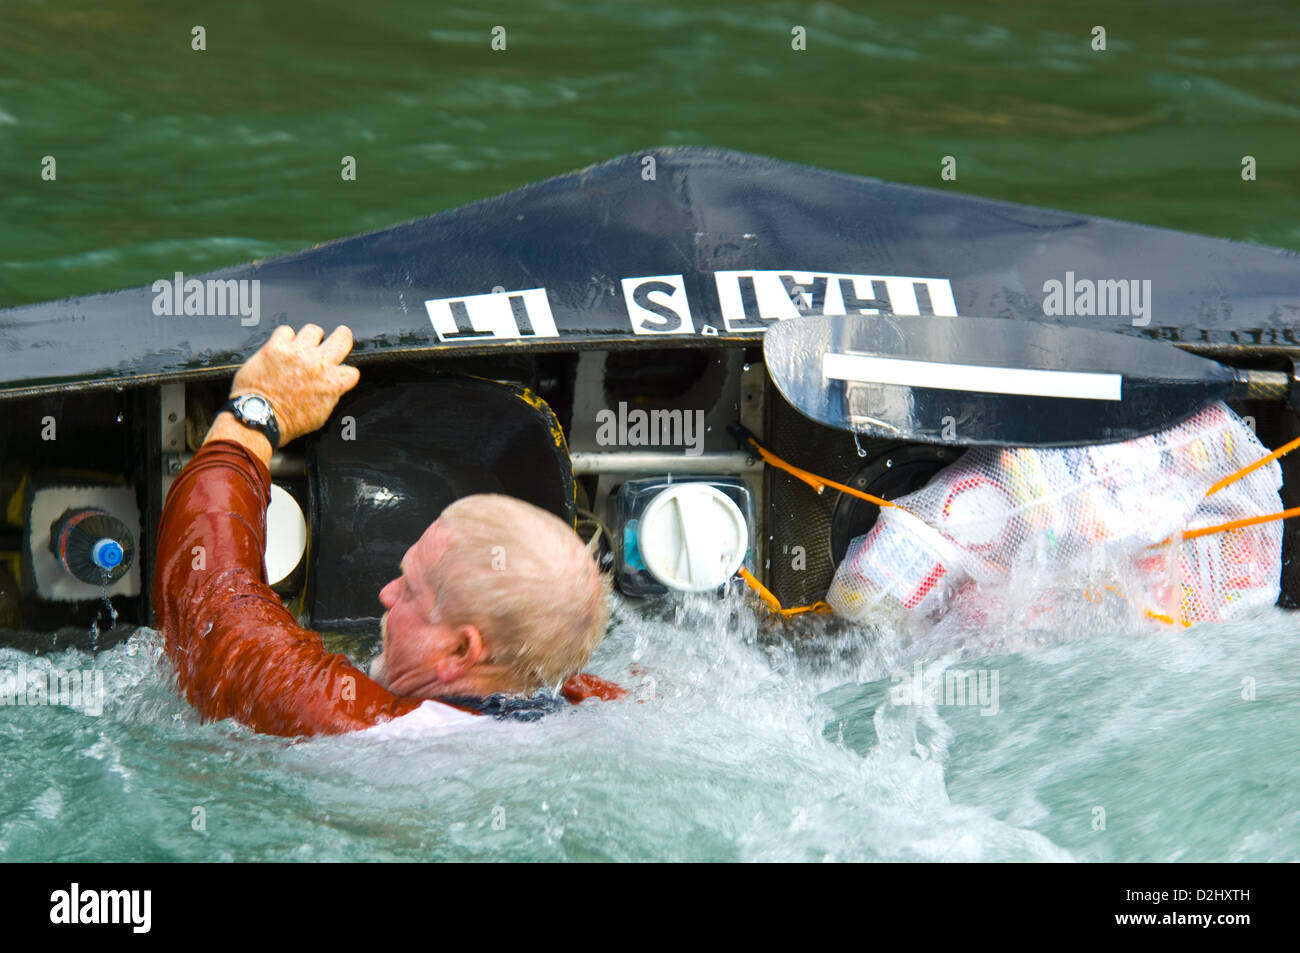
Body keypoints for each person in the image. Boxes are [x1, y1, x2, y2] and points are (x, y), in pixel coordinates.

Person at [154, 324, 623, 737]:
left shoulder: (368, 732)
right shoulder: (606, 714)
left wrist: (258, 411)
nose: (386, 593)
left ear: (461, 649)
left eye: (410, 589)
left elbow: (214, 618)